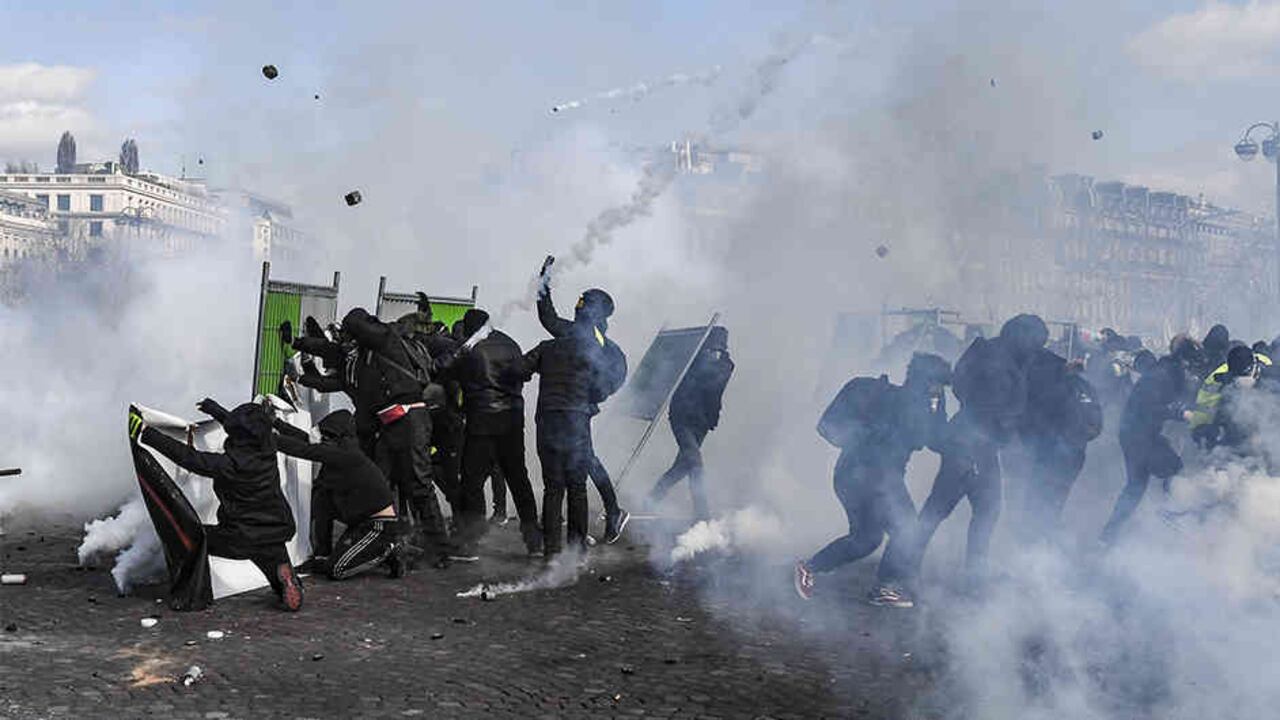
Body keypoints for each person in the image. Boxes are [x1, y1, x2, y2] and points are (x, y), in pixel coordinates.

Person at [872, 314, 1047, 608]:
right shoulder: (999, 364)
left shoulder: (991, 352)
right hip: (971, 447)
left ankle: (970, 578)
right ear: (1024, 338)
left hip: (976, 445)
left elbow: (963, 387)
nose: (1037, 349)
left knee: (982, 512)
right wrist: (1009, 431)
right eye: (1036, 343)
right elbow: (996, 409)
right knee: (938, 514)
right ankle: (894, 580)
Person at [794, 353, 950, 601]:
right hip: (875, 479)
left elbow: (934, 440)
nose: (939, 391)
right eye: (938, 386)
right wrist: (935, 404)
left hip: (850, 476)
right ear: (929, 383)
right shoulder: (907, 404)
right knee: (907, 528)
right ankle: (885, 587)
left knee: (866, 538)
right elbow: (931, 439)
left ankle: (810, 567)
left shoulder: (895, 398)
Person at [128, 400, 303, 611]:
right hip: (274, 530)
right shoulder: (267, 450)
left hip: (240, 535)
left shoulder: (229, 465)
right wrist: (214, 409)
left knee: (193, 540)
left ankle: (193, 595)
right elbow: (248, 428)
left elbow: (189, 458)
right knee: (273, 562)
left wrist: (147, 434)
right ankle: (287, 582)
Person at [339, 307, 457, 566]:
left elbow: (357, 322)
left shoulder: (385, 338)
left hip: (410, 422)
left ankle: (441, 549)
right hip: (390, 426)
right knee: (380, 483)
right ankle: (390, 543)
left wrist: (351, 326)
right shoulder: (369, 355)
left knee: (419, 484)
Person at [516, 279, 624, 561]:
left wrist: (543, 286)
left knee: (556, 486)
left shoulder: (583, 340)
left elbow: (548, 318)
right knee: (576, 485)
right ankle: (577, 547)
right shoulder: (587, 339)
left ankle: (554, 551)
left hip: (553, 418)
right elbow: (548, 317)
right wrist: (544, 287)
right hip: (576, 419)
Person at [535, 259, 630, 543]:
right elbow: (548, 318)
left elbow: (615, 376)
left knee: (582, 466)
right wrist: (544, 285)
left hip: (576, 413)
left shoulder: (599, 343)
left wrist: (591, 397)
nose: (578, 306)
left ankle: (608, 514)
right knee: (586, 462)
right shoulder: (578, 334)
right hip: (572, 413)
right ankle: (610, 512)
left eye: (584, 302)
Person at [450, 308, 544, 557]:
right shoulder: (511, 344)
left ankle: (470, 542)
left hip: (481, 421)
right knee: (518, 478)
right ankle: (534, 540)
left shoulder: (471, 349)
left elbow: (451, 377)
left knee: (472, 481)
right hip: (512, 419)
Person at [272, 409, 405, 580]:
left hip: (378, 526)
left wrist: (267, 438)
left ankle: (389, 550)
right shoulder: (339, 450)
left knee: (337, 570)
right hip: (358, 521)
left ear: (336, 437)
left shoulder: (346, 456)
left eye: (326, 436)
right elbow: (307, 441)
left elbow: (304, 450)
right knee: (322, 497)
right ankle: (323, 555)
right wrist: (276, 423)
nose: (322, 440)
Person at [1099, 337, 1198, 543]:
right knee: (1171, 469)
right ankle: (1169, 515)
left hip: (1138, 434)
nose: (1192, 373)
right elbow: (1149, 407)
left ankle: (1109, 534)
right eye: (1191, 366)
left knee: (1136, 486)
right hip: (1138, 435)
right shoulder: (1162, 376)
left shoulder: (1167, 372)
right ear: (1184, 361)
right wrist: (1181, 414)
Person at [645, 326, 735, 522]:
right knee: (695, 463)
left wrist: (706, 356)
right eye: (709, 349)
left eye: (717, 350)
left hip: (702, 423)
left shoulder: (725, 366)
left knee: (683, 466)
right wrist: (698, 354)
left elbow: (713, 378)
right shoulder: (691, 361)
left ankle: (652, 497)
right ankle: (702, 516)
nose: (712, 353)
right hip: (681, 418)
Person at [1015, 349, 1102, 535]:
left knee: (1047, 493)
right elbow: (1096, 425)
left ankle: (1036, 534)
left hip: (1063, 452)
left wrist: (1079, 436)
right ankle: (1036, 533)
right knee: (1049, 493)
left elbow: (1096, 422)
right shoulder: (1061, 388)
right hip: (1060, 451)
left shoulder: (1076, 388)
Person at [1187, 343, 1272, 449]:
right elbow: (1202, 416)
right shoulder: (1215, 382)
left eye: (1245, 376)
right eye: (1237, 377)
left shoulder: (1269, 369)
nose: (1242, 381)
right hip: (1234, 428)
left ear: (1255, 369)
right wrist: (1206, 433)